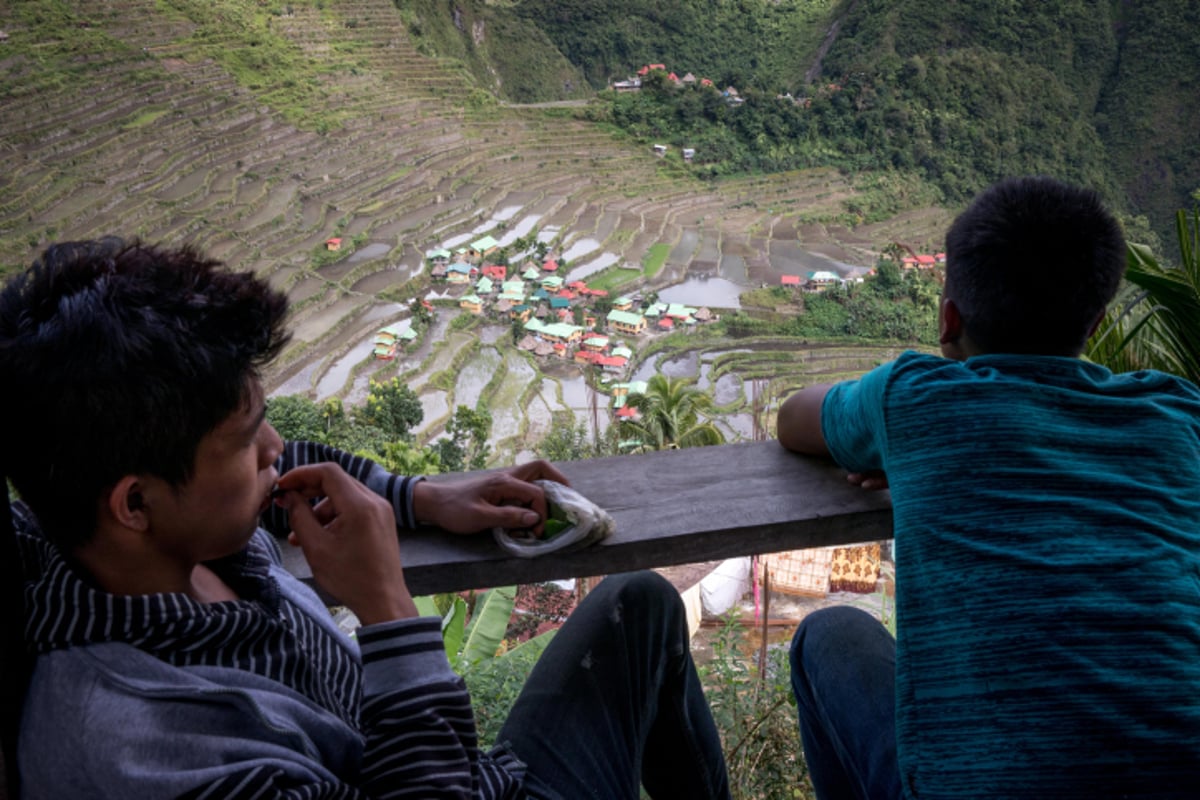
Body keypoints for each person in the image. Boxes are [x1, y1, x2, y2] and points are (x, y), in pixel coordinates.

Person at [0, 238, 731, 799]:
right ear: (135, 503)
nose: (275, 450)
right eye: (245, 438)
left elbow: (294, 465)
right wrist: (388, 610)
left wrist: (422, 497)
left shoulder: (160, 539)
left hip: (463, 772)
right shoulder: (142, 753)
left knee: (640, 601)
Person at [776, 176, 1200, 799]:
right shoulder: (1177, 415)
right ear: (1096, 323)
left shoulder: (915, 398)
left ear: (949, 317)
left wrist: (908, 451)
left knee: (827, 632)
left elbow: (793, 419)